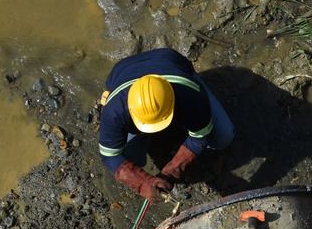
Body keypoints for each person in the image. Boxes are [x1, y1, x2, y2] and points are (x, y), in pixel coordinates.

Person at [98, 48, 234, 202]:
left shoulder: (190, 96)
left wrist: (171, 172)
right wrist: (143, 183)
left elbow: (200, 137)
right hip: (122, 71)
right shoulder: (114, 111)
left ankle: (198, 79)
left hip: (171, 61)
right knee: (129, 155)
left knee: (223, 136)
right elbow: (110, 156)